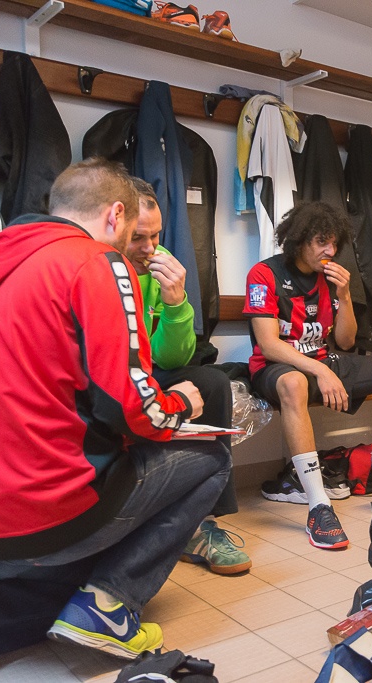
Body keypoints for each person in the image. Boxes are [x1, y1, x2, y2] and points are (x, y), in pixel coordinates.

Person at [0, 158, 231, 676]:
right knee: (212, 455)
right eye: (134, 230)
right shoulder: (96, 263)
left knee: (63, 575)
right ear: (115, 215)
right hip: (40, 514)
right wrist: (184, 405)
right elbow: (131, 410)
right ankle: (109, 604)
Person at [244, 201, 372, 551]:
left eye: (335, 243)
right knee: (294, 384)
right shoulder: (264, 275)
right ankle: (318, 506)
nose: (331, 250)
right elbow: (268, 344)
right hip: (278, 367)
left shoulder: (331, 277)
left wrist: (343, 295)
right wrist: (321, 370)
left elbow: (346, 340)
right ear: (299, 239)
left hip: (324, 357)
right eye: (322, 242)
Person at [125, 178, 250, 576]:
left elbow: (171, 356)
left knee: (210, 381)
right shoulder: (100, 268)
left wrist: (177, 303)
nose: (150, 248)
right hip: (109, 373)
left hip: (144, 365)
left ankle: (202, 522)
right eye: (138, 237)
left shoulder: (158, 262)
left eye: (156, 235)